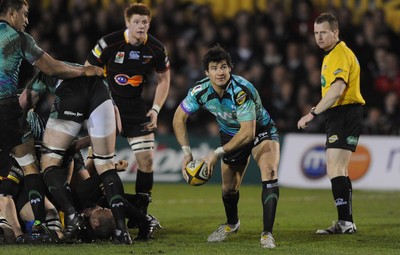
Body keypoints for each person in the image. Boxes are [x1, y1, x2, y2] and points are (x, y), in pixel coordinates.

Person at [0, 0, 102, 238]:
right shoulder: (19, 38)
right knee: (29, 166)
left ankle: (10, 222)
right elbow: (52, 67)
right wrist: (85, 70)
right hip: (5, 108)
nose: (26, 21)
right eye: (24, 15)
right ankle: (38, 225)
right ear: (12, 13)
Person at [173, 45, 280, 249]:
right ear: (206, 72)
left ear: (230, 68)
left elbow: (248, 132)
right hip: (230, 134)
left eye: (223, 67)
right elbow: (179, 118)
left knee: (270, 170)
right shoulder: (199, 91)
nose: (219, 72)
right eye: (214, 68)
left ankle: (267, 233)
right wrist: (186, 153)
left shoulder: (241, 91)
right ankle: (232, 224)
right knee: (229, 189)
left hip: (260, 129)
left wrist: (216, 153)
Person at [85, 2, 170, 214]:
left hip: (135, 108)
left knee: (147, 160)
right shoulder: (108, 44)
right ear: (127, 23)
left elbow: (164, 79)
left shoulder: (157, 49)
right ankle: (91, 208)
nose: (141, 26)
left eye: (145, 22)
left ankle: (142, 214)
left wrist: (156, 108)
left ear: (149, 24)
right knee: (95, 164)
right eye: (136, 22)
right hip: (106, 106)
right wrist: (99, 102)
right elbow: (87, 70)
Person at [297, 12, 365, 234]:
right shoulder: (332, 54)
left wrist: (312, 114)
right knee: (339, 169)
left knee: (335, 168)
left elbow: (336, 90)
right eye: (316, 33)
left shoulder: (339, 54)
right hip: (340, 115)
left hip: (345, 112)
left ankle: (345, 224)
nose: (318, 37)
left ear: (336, 32)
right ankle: (346, 223)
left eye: (323, 32)